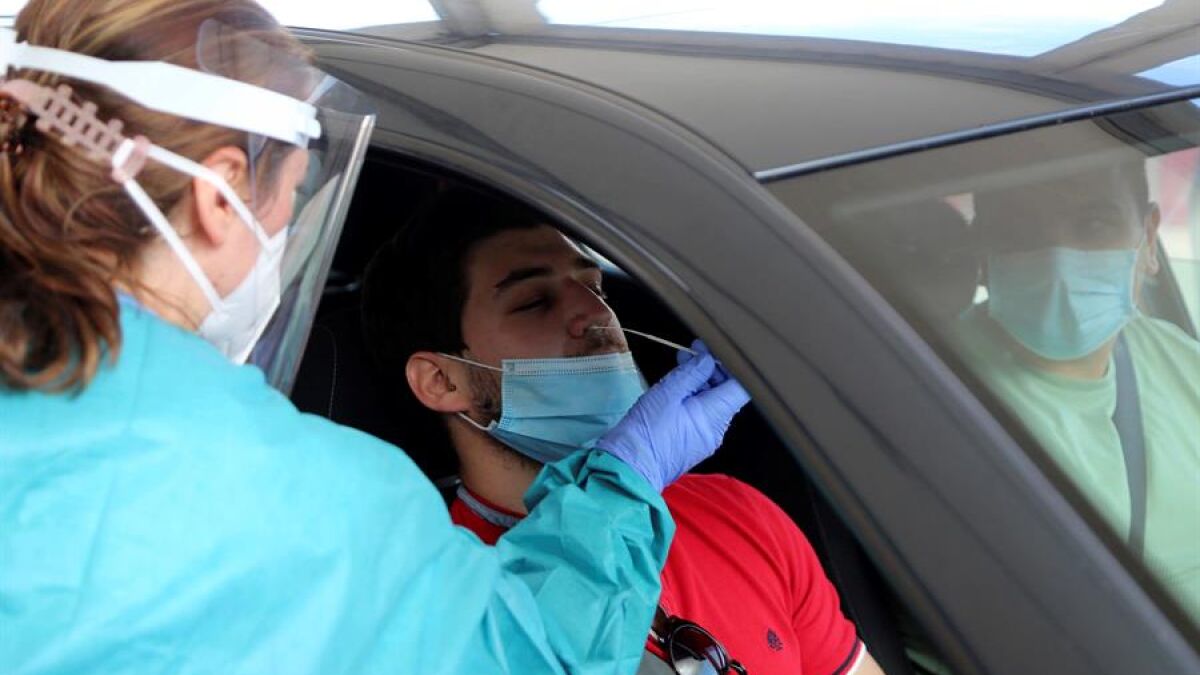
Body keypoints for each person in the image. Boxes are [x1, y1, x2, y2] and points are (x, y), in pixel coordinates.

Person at [0, 2, 750, 672]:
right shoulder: (302, 498)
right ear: (218, 196)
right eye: (292, 192)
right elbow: (537, 656)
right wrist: (622, 479)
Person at [361, 187, 887, 675]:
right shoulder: (442, 590)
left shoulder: (738, 512)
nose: (595, 314)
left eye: (595, 288)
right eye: (535, 303)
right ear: (441, 380)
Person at [948, 158, 1200, 622]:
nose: (1058, 259)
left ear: (1148, 240)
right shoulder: (936, 395)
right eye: (1020, 232)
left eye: (1094, 225)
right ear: (982, 252)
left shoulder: (1180, 359)